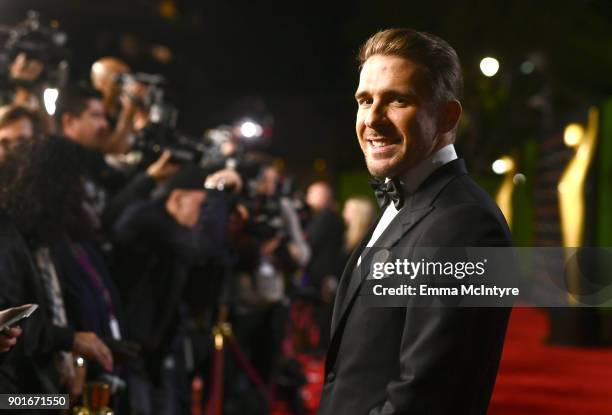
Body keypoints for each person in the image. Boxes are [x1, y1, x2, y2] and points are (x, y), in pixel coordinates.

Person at [318, 29, 513, 415]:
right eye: (365, 100)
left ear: (447, 115)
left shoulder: (467, 225)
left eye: (397, 101)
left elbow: (427, 396)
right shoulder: (407, 201)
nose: (372, 119)